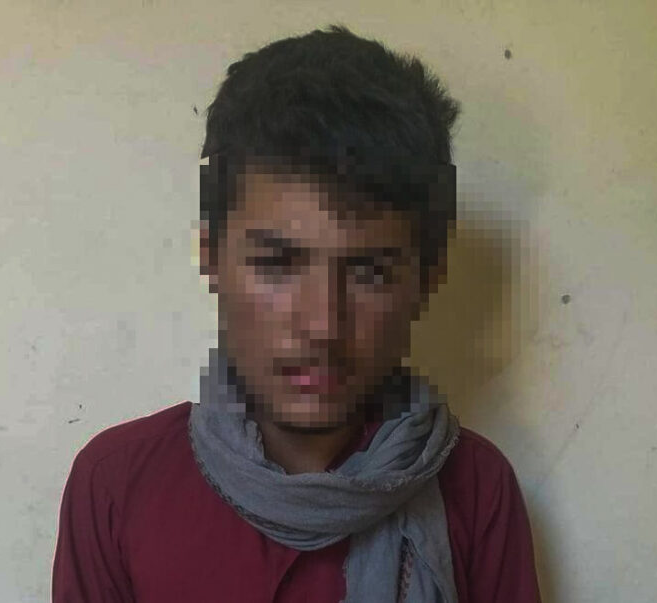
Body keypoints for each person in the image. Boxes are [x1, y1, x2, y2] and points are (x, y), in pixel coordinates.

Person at [52, 24, 542, 602]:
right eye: (276, 265)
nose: (323, 326)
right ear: (212, 258)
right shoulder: (115, 484)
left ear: (426, 279)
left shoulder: (478, 489)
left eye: (369, 272)